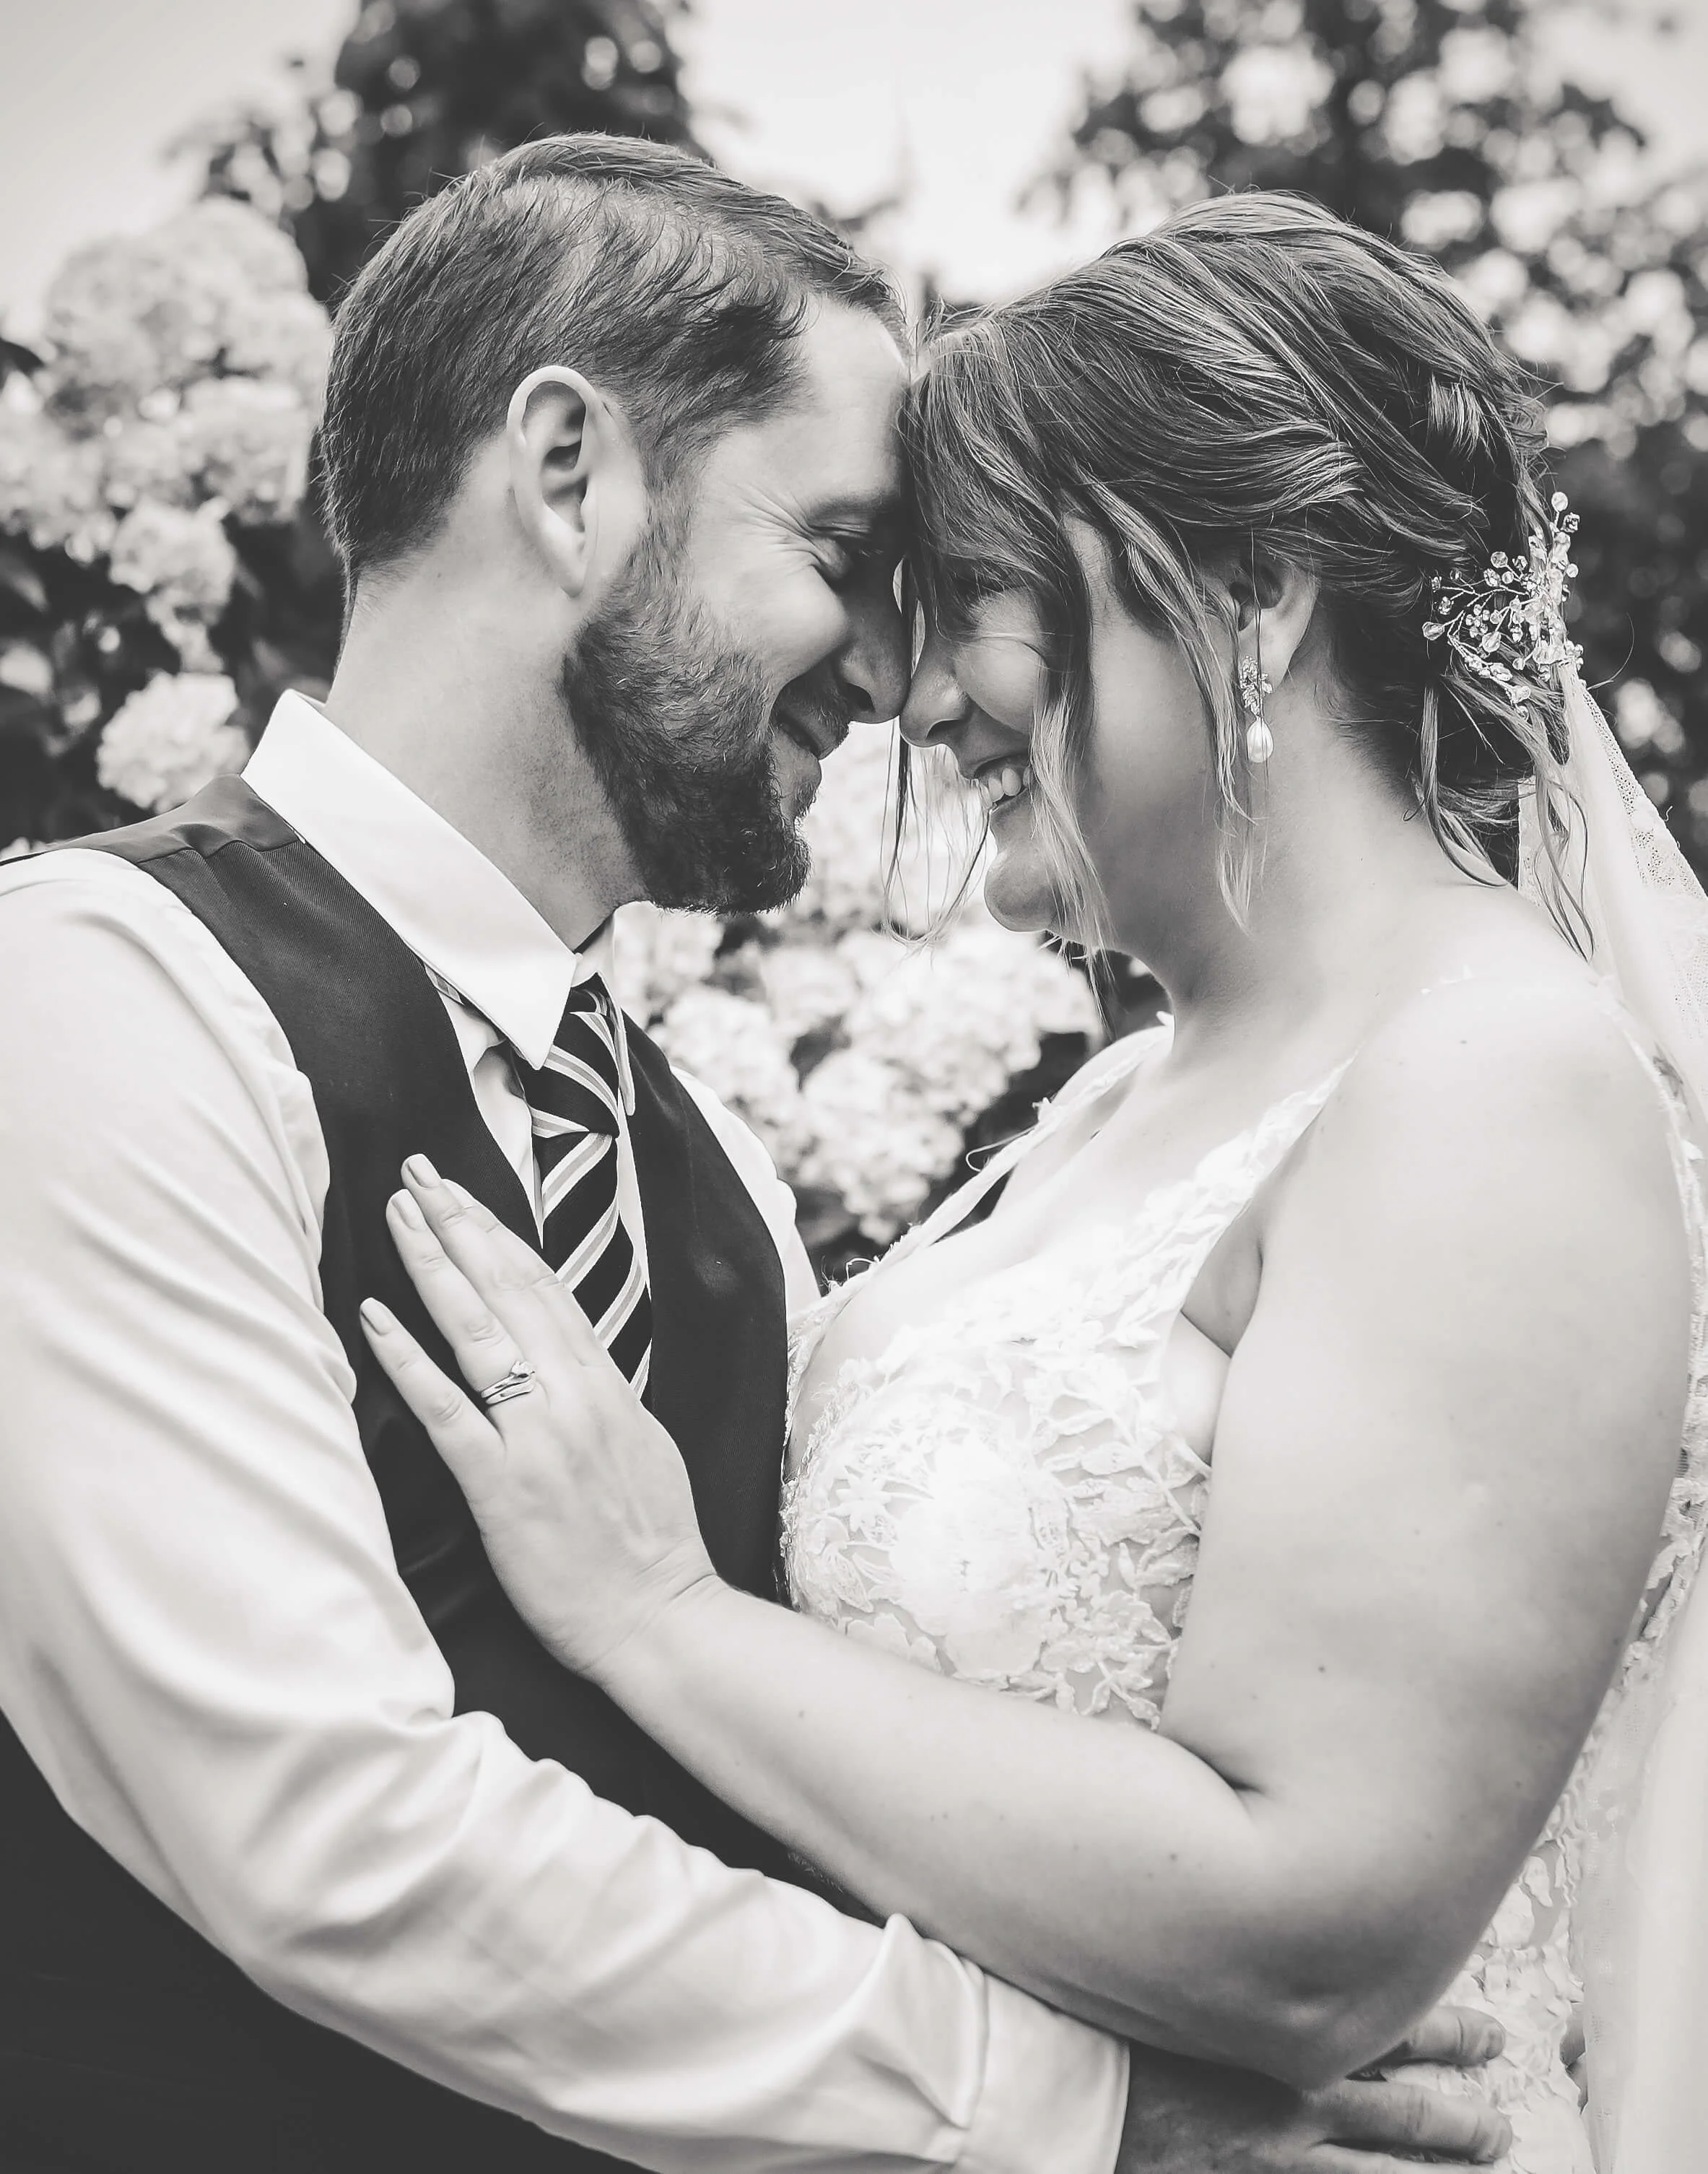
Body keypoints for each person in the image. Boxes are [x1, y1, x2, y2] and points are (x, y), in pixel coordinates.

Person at [0, 143, 1507, 2174]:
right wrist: (1079, 2105)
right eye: (842, 549)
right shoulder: (94, 994)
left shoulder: (693, 1152)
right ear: (565, 470)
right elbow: (315, 1826)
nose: (897, 681)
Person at [359, 196, 1708, 2174]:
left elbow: (1311, 1923)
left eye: (972, 591)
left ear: (1244, 597)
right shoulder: (1116, 1104)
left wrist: (654, 1612)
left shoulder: (1489, 1086)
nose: (908, 701)